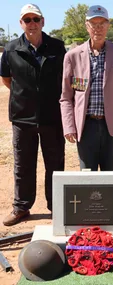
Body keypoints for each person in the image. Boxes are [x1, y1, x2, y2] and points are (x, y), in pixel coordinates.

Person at [0, 4, 66, 226]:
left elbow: (64, 78)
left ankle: (57, 207)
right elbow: (7, 79)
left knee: (55, 164)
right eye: (27, 20)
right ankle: (21, 207)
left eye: (35, 19)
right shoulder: (10, 49)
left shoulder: (57, 47)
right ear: (21, 23)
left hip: (52, 117)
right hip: (22, 118)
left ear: (43, 21)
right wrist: (27, 98)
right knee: (23, 165)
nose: (32, 24)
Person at [60, 5, 113, 171]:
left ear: (108, 26)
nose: (98, 28)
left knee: (110, 175)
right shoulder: (72, 56)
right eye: (94, 24)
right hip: (85, 127)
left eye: (102, 23)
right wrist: (69, 126)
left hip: (111, 126)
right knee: (87, 177)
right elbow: (66, 97)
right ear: (87, 26)